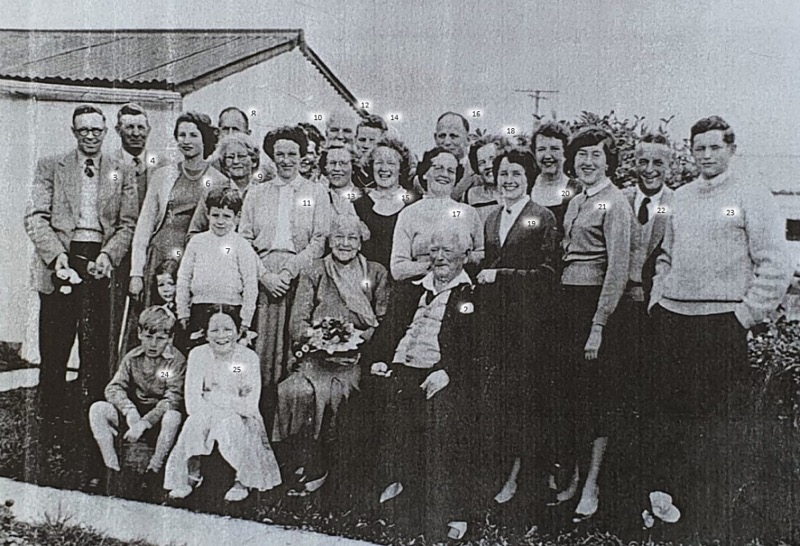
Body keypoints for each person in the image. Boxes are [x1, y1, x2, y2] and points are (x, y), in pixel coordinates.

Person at [645, 117, 791, 533]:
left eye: (714, 148)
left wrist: (744, 316)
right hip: (674, 323)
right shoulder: (683, 197)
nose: (706, 156)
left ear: (731, 149)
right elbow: (665, 255)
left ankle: (710, 523)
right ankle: (672, 517)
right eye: (699, 148)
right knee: (674, 424)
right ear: (690, 151)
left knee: (716, 431)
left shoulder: (752, 195)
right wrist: (659, 298)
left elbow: (776, 265)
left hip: (721, 327)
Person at [25, 104, 137, 442]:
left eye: (96, 130)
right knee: (56, 347)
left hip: (100, 264)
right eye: (83, 130)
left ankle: (90, 422)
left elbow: (127, 224)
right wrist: (57, 257)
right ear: (74, 132)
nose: (90, 136)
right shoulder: (51, 166)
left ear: (106, 132)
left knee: (96, 349)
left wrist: (108, 255)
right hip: (61, 258)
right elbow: (35, 217)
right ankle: (49, 424)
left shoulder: (122, 170)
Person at [368, 227, 485, 542]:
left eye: (448, 251)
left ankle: (451, 508)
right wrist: (378, 359)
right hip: (402, 367)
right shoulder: (412, 289)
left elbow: (477, 347)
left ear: (464, 256)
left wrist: (447, 372)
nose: (440, 257)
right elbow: (389, 329)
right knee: (370, 402)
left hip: (440, 372)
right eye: (434, 251)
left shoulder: (471, 294)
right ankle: (397, 488)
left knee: (441, 417)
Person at [272, 215, 388, 494]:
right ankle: (303, 457)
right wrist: (319, 338)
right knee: (294, 391)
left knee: (340, 394)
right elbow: (298, 320)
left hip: (353, 358)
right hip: (316, 357)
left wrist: (356, 340)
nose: (345, 244)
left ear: (360, 242)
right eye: (339, 237)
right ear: (329, 241)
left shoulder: (375, 273)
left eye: (351, 238)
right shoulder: (314, 270)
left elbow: (382, 319)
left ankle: (327, 465)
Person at [475, 149, 560, 507]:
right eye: (503, 173)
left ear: (529, 179)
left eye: (516, 174)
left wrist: (501, 276)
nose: (509, 180)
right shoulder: (492, 217)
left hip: (528, 326)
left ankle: (520, 478)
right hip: (493, 324)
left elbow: (548, 275)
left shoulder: (543, 217)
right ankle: (496, 473)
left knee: (522, 403)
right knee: (495, 402)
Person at [556, 126, 632, 521]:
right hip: (568, 306)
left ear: (608, 161)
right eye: (582, 154)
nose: (587, 161)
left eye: (596, 155)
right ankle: (573, 480)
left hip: (594, 308)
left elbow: (618, 268)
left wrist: (599, 324)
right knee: (572, 399)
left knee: (597, 400)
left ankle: (592, 484)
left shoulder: (614, 203)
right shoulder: (576, 201)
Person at [239, 126, 331, 395]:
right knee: (262, 347)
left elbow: (319, 241)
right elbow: (243, 239)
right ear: (272, 156)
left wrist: (289, 272)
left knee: (293, 348)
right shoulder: (257, 193)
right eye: (280, 153)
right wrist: (264, 276)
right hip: (262, 276)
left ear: (302, 156)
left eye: (292, 153)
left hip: (300, 276)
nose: (286, 160)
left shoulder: (316, 192)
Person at [164, 306, 281, 502]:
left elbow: (249, 406)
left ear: (238, 332)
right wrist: (221, 404)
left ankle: (242, 480)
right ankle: (191, 475)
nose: (221, 336)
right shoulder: (198, 355)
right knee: (195, 422)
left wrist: (215, 397)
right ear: (206, 334)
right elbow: (192, 402)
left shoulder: (247, 358)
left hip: (241, 418)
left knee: (231, 423)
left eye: (228, 329)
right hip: (206, 413)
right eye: (214, 330)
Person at [129, 112, 228, 307]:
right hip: (159, 256)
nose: (186, 141)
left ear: (204, 139)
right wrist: (136, 273)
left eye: (193, 135)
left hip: (194, 258)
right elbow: (144, 226)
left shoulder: (219, 181)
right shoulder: (162, 175)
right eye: (182, 135)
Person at [89, 306, 185, 474]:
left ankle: (154, 469)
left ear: (170, 338)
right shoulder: (132, 357)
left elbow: (172, 398)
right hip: (134, 414)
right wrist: (130, 411)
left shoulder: (175, 361)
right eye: (148, 337)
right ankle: (111, 466)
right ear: (140, 333)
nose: (153, 344)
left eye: (161, 338)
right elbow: (114, 387)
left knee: (173, 417)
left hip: (158, 418)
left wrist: (145, 423)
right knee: (97, 409)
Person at [108, 103, 163, 372]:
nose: (136, 133)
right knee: (114, 321)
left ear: (149, 129)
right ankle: (112, 375)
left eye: (141, 127)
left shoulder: (161, 165)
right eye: (129, 127)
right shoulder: (110, 165)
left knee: (146, 318)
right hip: (117, 254)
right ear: (118, 129)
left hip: (149, 255)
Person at [176, 187, 259, 351]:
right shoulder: (197, 242)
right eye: (215, 215)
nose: (220, 221)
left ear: (237, 217)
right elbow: (184, 278)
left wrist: (246, 319)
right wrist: (183, 311)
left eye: (227, 216)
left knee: (228, 353)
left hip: (231, 309)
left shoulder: (241, 245)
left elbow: (250, 284)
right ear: (207, 214)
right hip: (200, 309)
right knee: (200, 352)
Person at [391, 147, 484, 282]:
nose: (444, 174)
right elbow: (397, 269)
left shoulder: (469, 213)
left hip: (462, 289)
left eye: (451, 171)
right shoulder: (408, 214)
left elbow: (483, 254)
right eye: (438, 168)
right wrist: (435, 266)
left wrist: (463, 260)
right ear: (424, 173)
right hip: (419, 291)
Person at [353, 139, 419, 270]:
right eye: (378, 162)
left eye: (391, 163)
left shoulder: (415, 202)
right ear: (371, 167)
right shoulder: (359, 204)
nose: (384, 168)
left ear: (401, 168)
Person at [187, 133, 262, 237]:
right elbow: (193, 233)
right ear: (224, 164)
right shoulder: (212, 192)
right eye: (230, 157)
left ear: (253, 161)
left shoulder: (263, 193)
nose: (236, 161)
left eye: (241, 156)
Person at [529, 121, 581, 230]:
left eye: (554, 149)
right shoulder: (526, 188)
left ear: (565, 153)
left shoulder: (577, 190)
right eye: (541, 149)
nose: (547, 155)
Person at [433, 112, 474, 201]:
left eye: (454, 136)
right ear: (435, 138)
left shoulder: (477, 173)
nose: (447, 142)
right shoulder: (426, 175)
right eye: (442, 136)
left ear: (467, 140)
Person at [465, 136, 505, 223]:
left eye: (492, 159)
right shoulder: (470, 196)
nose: (488, 166)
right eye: (481, 163)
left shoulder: (519, 191)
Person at [320, 146, 361, 216]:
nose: (337, 169)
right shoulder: (319, 196)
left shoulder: (363, 197)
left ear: (353, 167)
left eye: (343, 163)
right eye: (332, 163)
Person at [353, 114, 388, 189]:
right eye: (362, 140)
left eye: (372, 140)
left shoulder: (394, 172)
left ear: (383, 141)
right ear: (355, 140)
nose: (366, 145)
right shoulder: (348, 170)